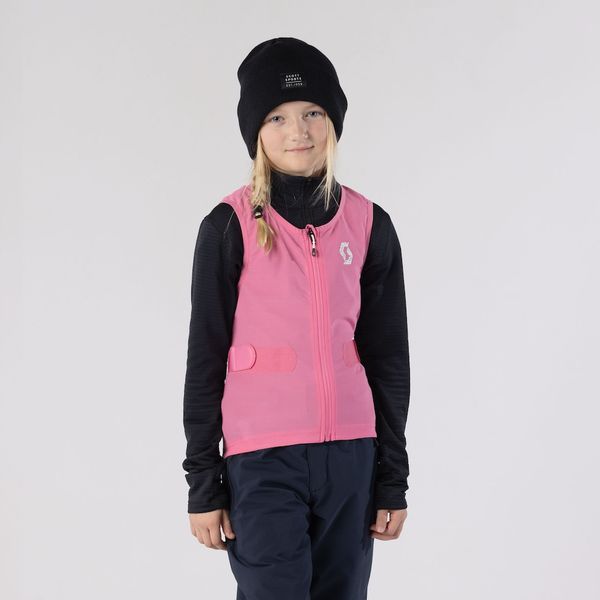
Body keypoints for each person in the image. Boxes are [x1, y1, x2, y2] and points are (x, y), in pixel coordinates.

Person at [182, 37, 411, 600]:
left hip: (351, 456)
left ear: (333, 120)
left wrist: (392, 475)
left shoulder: (369, 224)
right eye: (277, 117)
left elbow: (389, 359)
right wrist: (203, 482)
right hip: (261, 461)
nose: (298, 131)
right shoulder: (228, 226)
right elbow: (205, 358)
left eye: (313, 112)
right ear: (256, 131)